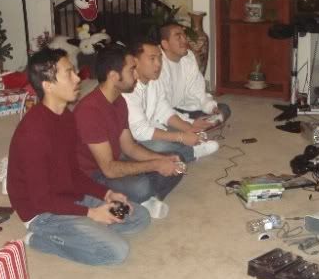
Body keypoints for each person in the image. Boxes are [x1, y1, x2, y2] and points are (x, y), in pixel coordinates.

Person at [7, 48, 150, 265]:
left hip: (69, 196)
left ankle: (84, 231)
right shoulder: (33, 132)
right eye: (69, 74)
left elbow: (74, 172)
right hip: (42, 213)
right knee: (116, 252)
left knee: (139, 217)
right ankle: (39, 239)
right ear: (48, 85)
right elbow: (40, 200)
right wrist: (91, 213)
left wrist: (106, 193)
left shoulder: (66, 117)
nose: (77, 78)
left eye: (74, 72)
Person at [74, 44, 184, 219]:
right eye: (132, 70)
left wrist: (162, 160)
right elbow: (109, 169)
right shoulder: (90, 111)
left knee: (177, 161)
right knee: (141, 186)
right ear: (113, 76)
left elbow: (129, 147)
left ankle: (145, 201)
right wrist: (155, 165)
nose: (136, 75)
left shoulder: (119, 101)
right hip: (93, 176)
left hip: (116, 161)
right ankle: (141, 198)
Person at [123, 36, 219, 164]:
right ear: (135, 62)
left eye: (160, 58)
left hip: (150, 127)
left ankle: (183, 149)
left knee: (174, 133)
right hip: (131, 140)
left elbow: (163, 110)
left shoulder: (154, 80)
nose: (158, 64)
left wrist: (188, 127)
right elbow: (140, 131)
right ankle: (191, 152)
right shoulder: (127, 88)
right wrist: (181, 137)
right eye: (152, 59)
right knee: (159, 146)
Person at [158, 22, 231, 122]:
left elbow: (197, 90)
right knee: (167, 121)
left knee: (223, 108)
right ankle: (200, 124)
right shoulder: (157, 64)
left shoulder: (188, 57)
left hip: (182, 108)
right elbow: (160, 106)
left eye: (184, 36)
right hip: (163, 112)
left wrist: (211, 107)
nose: (185, 40)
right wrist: (188, 122)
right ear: (165, 44)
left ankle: (204, 123)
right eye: (178, 37)